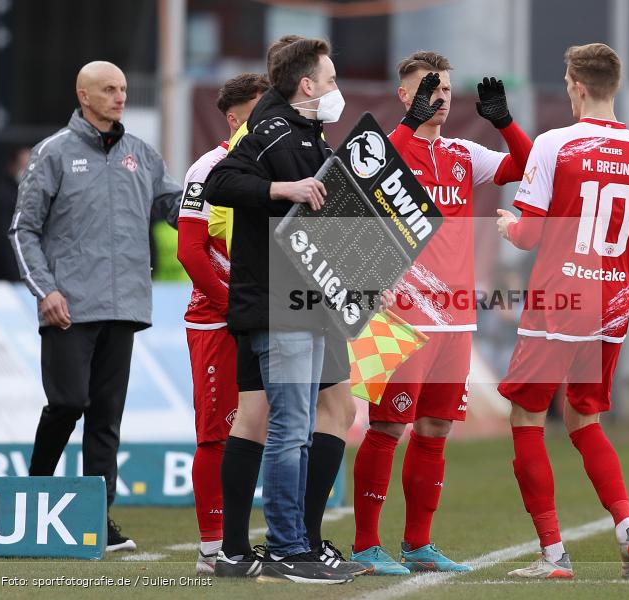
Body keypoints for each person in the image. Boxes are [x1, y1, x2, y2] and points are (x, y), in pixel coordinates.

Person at [350, 51, 532, 575]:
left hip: (454, 318)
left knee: (434, 430)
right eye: (430, 87)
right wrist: (409, 123)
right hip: (396, 314)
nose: (442, 97)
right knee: (386, 428)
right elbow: (366, 180)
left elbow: (522, 166)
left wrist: (504, 122)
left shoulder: (460, 153)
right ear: (404, 95)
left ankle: (418, 543)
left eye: (448, 89)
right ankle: (365, 545)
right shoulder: (382, 148)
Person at [494, 43, 629, 579]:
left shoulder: (554, 145)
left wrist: (507, 228)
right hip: (611, 305)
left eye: (568, 82)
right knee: (584, 417)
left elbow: (528, 235)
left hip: (558, 301)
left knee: (526, 416)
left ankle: (553, 555)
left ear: (578, 85)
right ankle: (628, 526)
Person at [206, 35, 370, 582]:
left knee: (296, 425)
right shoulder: (271, 129)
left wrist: (368, 279)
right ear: (307, 85)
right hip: (278, 306)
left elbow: (326, 229)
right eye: (330, 80)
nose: (335, 90)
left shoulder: (306, 134)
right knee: (289, 430)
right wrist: (283, 188)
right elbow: (219, 182)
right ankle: (285, 548)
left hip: (304, 304)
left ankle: (290, 543)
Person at [9, 60, 182, 552]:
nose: (120, 97)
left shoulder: (142, 156)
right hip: (68, 306)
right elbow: (23, 229)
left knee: (107, 416)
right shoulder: (53, 154)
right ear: (84, 95)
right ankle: (34, 497)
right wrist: (47, 290)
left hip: (125, 305)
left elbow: (177, 206)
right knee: (68, 404)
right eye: (109, 89)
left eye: (123, 89)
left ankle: (96, 521)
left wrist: (221, 198)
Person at [175, 72, 269, 574]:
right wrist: (236, 305)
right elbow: (189, 250)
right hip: (218, 321)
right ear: (234, 119)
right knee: (218, 433)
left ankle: (282, 540)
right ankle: (212, 550)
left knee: (278, 429)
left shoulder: (276, 165)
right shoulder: (207, 169)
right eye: (260, 109)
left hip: (268, 317)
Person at [0, 146, 30, 280]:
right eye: (24, 166)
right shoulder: (4, 198)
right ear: (12, 167)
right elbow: (3, 241)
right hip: (10, 278)